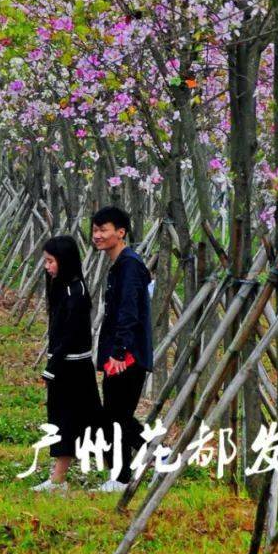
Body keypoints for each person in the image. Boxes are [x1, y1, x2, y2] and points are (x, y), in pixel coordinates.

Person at [32, 234, 102, 495]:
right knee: (68, 422)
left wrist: (52, 367)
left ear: (65, 260)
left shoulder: (76, 291)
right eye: (46, 261)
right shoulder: (62, 287)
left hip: (74, 368)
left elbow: (71, 335)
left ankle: (127, 468)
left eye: (51, 261)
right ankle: (58, 480)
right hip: (65, 365)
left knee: (81, 422)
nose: (47, 267)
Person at [92, 205, 153, 493]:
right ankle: (152, 454)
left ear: (121, 232)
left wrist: (119, 352)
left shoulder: (130, 266)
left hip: (127, 354)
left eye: (103, 230)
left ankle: (122, 476)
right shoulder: (121, 265)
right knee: (116, 415)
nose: (97, 235)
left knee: (115, 417)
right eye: (95, 230)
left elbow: (129, 311)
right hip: (121, 352)